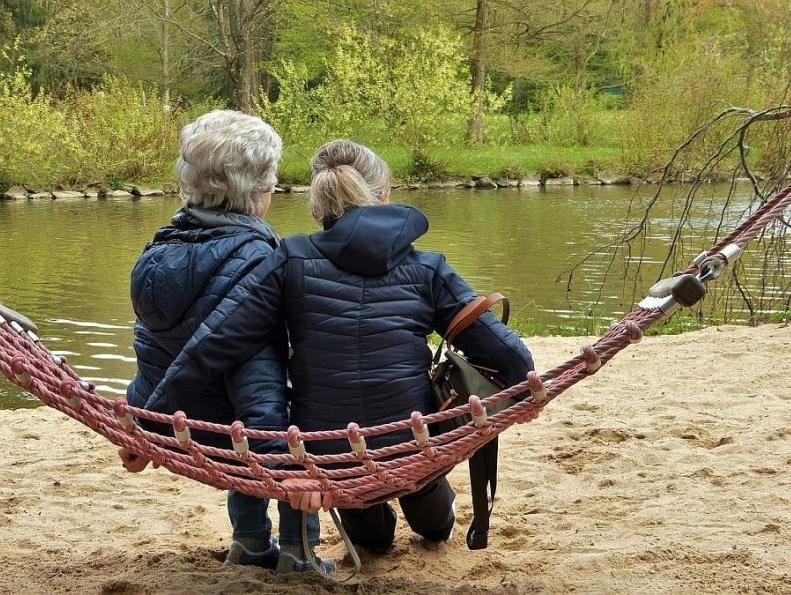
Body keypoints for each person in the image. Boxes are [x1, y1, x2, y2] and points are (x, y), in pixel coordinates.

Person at [146, 139, 534, 553]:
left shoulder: (288, 259)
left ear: (317, 208)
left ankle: (383, 516)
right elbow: (506, 353)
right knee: (430, 508)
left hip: (332, 457)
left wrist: (150, 422)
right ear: (384, 196)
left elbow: (217, 342)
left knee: (373, 541)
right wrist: (526, 389)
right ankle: (429, 510)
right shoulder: (428, 267)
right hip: (413, 442)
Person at [120, 109, 332, 574]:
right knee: (303, 409)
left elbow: (154, 348)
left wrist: (140, 421)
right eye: (271, 182)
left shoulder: (157, 251)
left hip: (175, 420)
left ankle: (250, 542)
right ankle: (299, 551)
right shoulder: (261, 260)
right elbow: (260, 380)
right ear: (257, 192)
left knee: (243, 416)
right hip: (235, 429)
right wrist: (285, 469)